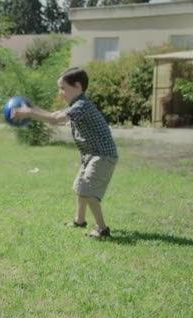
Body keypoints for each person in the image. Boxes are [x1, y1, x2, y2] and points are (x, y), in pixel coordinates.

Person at [10, 67, 118, 238]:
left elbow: (54, 120)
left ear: (77, 86)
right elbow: (54, 114)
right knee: (79, 187)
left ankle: (102, 229)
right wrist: (32, 109)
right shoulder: (76, 104)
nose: (60, 93)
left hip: (102, 155)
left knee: (87, 190)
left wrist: (29, 113)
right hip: (90, 155)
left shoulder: (82, 106)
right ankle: (79, 221)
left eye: (63, 88)